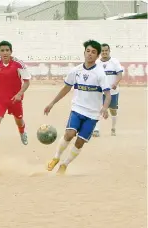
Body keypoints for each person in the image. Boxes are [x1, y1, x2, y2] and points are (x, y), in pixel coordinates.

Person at [44, 40, 111, 174]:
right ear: (84, 52)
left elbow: (108, 94)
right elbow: (66, 88)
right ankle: (56, 158)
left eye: (93, 52)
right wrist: (52, 103)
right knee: (69, 134)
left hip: (92, 114)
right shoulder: (76, 71)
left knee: (80, 142)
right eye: (88, 51)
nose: (90, 54)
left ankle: (65, 164)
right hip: (77, 109)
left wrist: (104, 107)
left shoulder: (100, 74)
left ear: (97, 56)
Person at [92, 43, 123, 137]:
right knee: (98, 109)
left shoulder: (115, 62)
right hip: (100, 92)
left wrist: (115, 83)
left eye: (106, 50)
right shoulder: (97, 63)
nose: (104, 52)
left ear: (109, 51)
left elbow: (120, 74)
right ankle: (96, 130)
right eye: (103, 51)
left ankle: (113, 128)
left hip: (113, 92)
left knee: (113, 110)